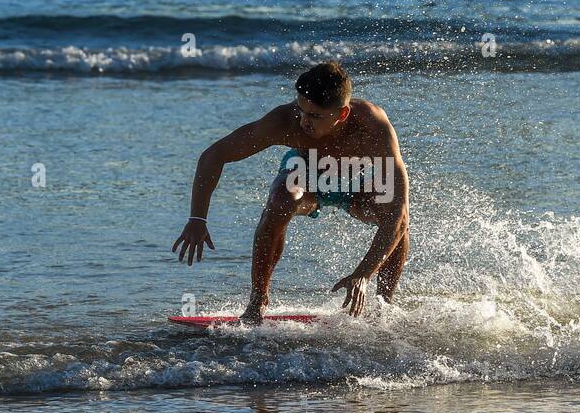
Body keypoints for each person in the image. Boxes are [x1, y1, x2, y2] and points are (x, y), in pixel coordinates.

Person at [172, 62, 410, 322]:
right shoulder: (284, 122)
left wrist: (364, 272)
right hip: (305, 175)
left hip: (357, 185)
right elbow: (213, 156)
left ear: (342, 114)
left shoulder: (373, 126)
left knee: (396, 221)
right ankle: (258, 301)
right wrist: (197, 218)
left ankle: (382, 305)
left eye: (316, 116)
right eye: (301, 110)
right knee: (281, 198)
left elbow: (399, 215)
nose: (304, 122)